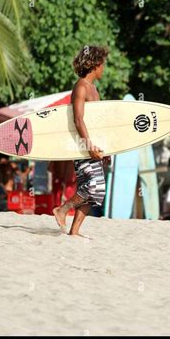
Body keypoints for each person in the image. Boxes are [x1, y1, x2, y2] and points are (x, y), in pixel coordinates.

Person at [52, 45, 110, 237]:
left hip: (92, 146)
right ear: (95, 65)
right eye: (103, 64)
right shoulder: (81, 87)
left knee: (93, 190)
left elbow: (97, 123)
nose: (104, 69)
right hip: (82, 146)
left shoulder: (94, 90)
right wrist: (89, 146)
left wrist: (105, 150)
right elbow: (78, 119)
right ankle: (62, 210)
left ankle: (74, 232)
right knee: (94, 186)